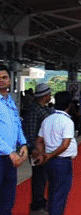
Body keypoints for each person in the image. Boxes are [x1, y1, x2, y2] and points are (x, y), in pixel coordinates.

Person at [34, 91, 78, 215]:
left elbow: (39, 140)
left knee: (53, 191)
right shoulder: (67, 121)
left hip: (50, 162)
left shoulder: (48, 119)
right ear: (69, 105)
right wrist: (49, 155)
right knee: (60, 194)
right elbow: (65, 144)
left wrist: (43, 155)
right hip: (61, 161)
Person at [0, 65, 28, 215]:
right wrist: (10, 151)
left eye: (4, 78)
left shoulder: (9, 101)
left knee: (8, 197)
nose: (1, 81)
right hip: (4, 155)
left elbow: (17, 124)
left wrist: (23, 143)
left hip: (10, 158)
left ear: (10, 80)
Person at [22, 83, 54, 215]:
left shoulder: (43, 109)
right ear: (45, 96)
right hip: (38, 149)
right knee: (39, 177)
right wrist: (33, 148)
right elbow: (30, 130)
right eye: (49, 94)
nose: (50, 96)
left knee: (43, 176)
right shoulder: (34, 110)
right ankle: (37, 203)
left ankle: (40, 200)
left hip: (45, 149)